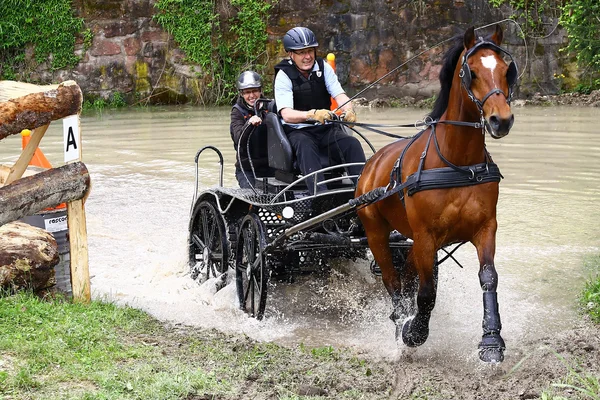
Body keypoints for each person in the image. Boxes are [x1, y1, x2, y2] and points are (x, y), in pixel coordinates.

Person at [273, 26, 366, 194]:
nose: (307, 56)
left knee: (352, 144)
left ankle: (363, 193)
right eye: (301, 52)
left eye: (310, 51)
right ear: (291, 54)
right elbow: (286, 114)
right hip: (298, 131)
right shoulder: (283, 75)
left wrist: (349, 111)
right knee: (305, 145)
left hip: (325, 129)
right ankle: (320, 195)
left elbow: (340, 95)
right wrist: (312, 114)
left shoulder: (324, 67)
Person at [230, 71, 273, 188]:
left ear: (260, 91)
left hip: (272, 167)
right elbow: (238, 138)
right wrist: (249, 124)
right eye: (247, 92)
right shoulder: (237, 112)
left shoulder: (271, 106)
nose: (252, 96)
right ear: (241, 94)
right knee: (251, 201)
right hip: (247, 169)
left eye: (255, 91)